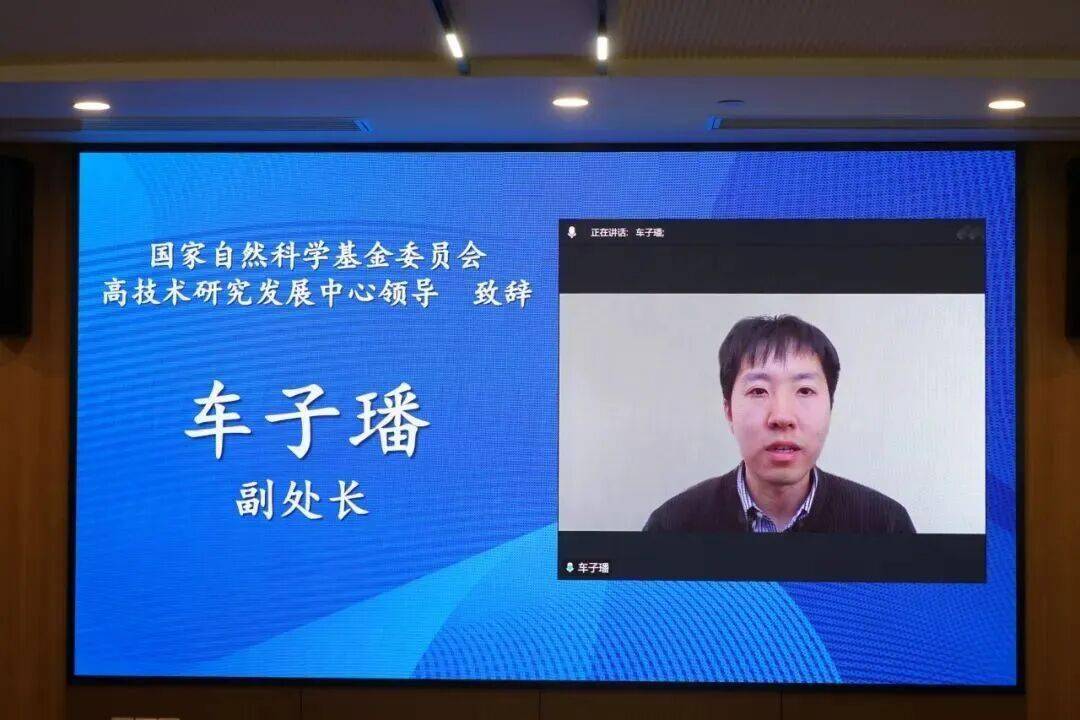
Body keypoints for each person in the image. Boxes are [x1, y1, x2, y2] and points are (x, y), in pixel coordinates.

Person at [643, 314, 915, 534]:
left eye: (805, 391)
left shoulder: (885, 525)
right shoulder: (673, 527)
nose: (782, 417)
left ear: (830, 407)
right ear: (729, 411)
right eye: (758, 391)